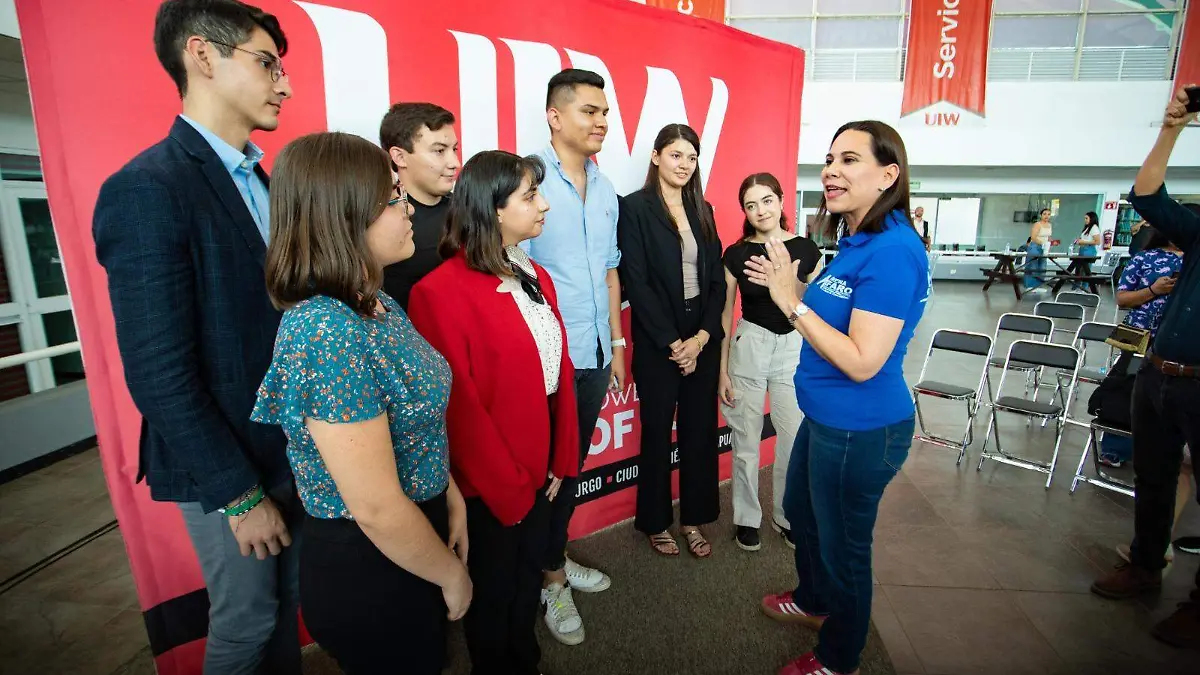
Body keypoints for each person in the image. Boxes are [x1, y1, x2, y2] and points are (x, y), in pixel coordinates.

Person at [92, 2, 301, 673]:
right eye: (267, 63)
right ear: (202, 55)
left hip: (288, 447)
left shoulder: (261, 180)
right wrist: (239, 494)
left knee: (286, 617)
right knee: (247, 623)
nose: (284, 84)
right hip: (225, 463)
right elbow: (157, 369)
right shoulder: (147, 188)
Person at [250, 132, 471, 674]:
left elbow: (415, 424)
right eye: (391, 200)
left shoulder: (378, 304)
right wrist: (451, 573)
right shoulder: (325, 327)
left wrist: (451, 496)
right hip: (371, 565)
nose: (407, 212)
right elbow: (373, 506)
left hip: (414, 532)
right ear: (344, 216)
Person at [750, 120, 928, 675]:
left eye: (850, 160)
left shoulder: (894, 250)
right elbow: (837, 313)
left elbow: (861, 359)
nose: (831, 170)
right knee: (802, 513)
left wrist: (789, 301)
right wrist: (798, 289)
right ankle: (813, 599)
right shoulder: (859, 242)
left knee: (844, 548)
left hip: (861, 430)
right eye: (830, 159)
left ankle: (838, 658)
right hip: (825, 419)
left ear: (888, 175)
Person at [408, 151, 580, 675]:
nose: (544, 204)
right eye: (530, 196)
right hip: (493, 486)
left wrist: (561, 460)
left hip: (542, 470)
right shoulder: (437, 293)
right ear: (493, 210)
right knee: (494, 593)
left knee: (528, 580)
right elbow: (458, 411)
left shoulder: (536, 274)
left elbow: (560, 374)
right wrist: (512, 487)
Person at [1090, 84, 1200, 651]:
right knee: (1153, 480)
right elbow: (1148, 195)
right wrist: (1173, 130)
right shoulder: (1196, 234)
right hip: (1158, 373)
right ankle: (1143, 565)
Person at [521, 68, 618, 646]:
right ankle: (548, 578)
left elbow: (609, 270)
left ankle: (551, 558)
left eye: (605, 112)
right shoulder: (526, 179)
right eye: (589, 111)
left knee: (571, 470)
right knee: (544, 478)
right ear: (556, 117)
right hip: (545, 363)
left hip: (596, 353)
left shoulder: (604, 187)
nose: (601, 122)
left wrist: (618, 345)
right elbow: (514, 271)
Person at [618, 123, 725, 559]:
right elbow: (636, 282)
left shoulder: (705, 208)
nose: (684, 164)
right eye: (676, 155)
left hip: (701, 331)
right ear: (657, 157)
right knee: (658, 433)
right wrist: (671, 343)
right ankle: (655, 521)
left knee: (699, 432)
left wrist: (700, 338)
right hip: (658, 337)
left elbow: (716, 280)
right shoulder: (635, 208)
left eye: (692, 157)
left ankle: (694, 519)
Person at [719, 172, 823, 552]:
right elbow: (725, 315)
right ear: (745, 212)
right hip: (750, 343)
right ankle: (747, 518)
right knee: (745, 437)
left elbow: (821, 308)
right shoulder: (736, 253)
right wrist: (722, 372)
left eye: (766, 200)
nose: (760, 210)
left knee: (793, 437)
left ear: (781, 201)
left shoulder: (807, 250)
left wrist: (786, 282)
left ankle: (787, 514)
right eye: (751, 204)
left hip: (794, 345)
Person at [1097, 226, 1185, 467]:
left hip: (1180, 339)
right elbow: (1122, 299)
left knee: (1172, 396)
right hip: (1136, 331)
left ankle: (1161, 451)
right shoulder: (1144, 258)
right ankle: (1115, 448)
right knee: (1126, 389)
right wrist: (1153, 290)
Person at [378, 102, 460, 309]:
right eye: (439, 151)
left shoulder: (467, 211)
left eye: (454, 149)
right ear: (400, 156)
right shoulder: (380, 222)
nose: (454, 163)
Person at [1025, 208, 1053, 291]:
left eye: (1048, 214)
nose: (1046, 216)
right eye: (1044, 214)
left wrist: (1050, 243)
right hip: (1035, 246)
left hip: (1044, 248)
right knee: (1033, 266)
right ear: (1041, 215)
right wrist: (1042, 243)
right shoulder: (1037, 224)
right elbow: (1033, 237)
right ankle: (1030, 286)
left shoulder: (1049, 225)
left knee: (1042, 266)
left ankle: (1038, 285)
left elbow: (1048, 236)